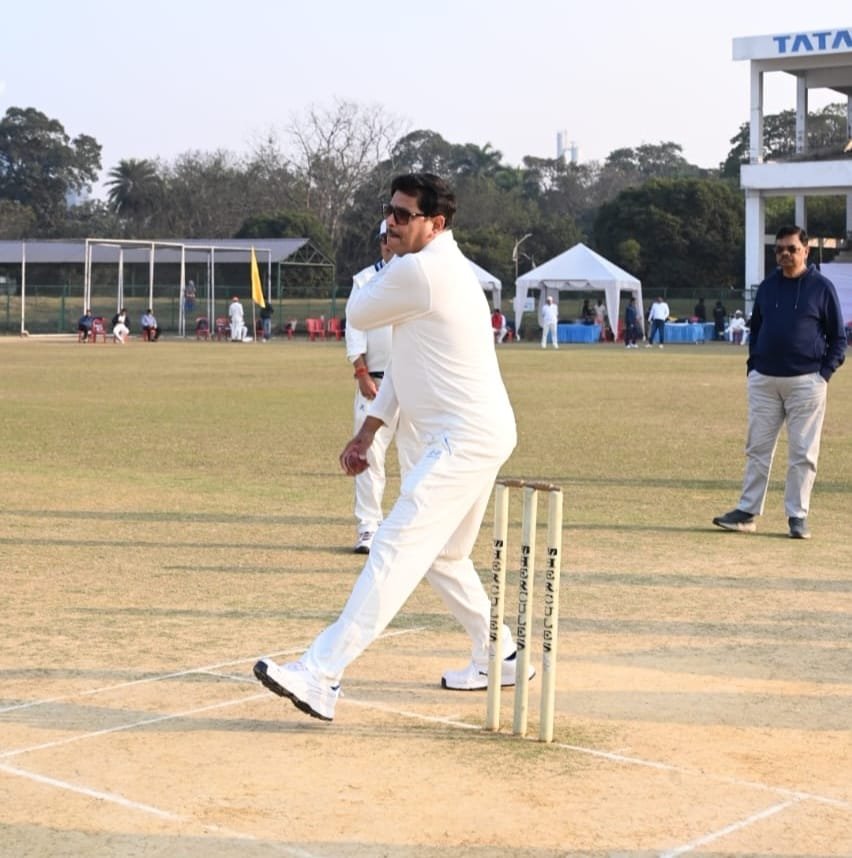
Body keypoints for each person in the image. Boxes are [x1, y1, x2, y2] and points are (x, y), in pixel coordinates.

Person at [253, 172, 525, 722]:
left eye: (403, 216)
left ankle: (320, 674)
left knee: (395, 545)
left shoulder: (420, 270)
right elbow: (402, 364)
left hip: (464, 438)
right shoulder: (429, 269)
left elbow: (356, 314)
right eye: (389, 211)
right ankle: (500, 654)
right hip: (478, 432)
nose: (390, 223)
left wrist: (390, 262)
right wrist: (368, 430)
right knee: (444, 556)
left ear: (436, 224)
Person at [713, 225, 846, 540]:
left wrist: (823, 374)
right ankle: (746, 512)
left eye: (792, 248)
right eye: (779, 249)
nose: (785, 254)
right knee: (757, 449)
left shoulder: (821, 288)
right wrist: (753, 367)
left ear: (805, 251)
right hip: (765, 381)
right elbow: (757, 329)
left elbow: (838, 338)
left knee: (803, 452)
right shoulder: (767, 286)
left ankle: (797, 516)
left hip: (806, 382)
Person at [345, 220, 397, 554]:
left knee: (418, 458)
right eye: (384, 237)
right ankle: (368, 527)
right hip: (375, 382)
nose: (390, 243)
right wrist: (361, 371)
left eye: (395, 235)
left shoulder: (416, 279)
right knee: (368, 456)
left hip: (412, 382)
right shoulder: (364, 281)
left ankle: (412, 530)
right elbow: (354, 328)